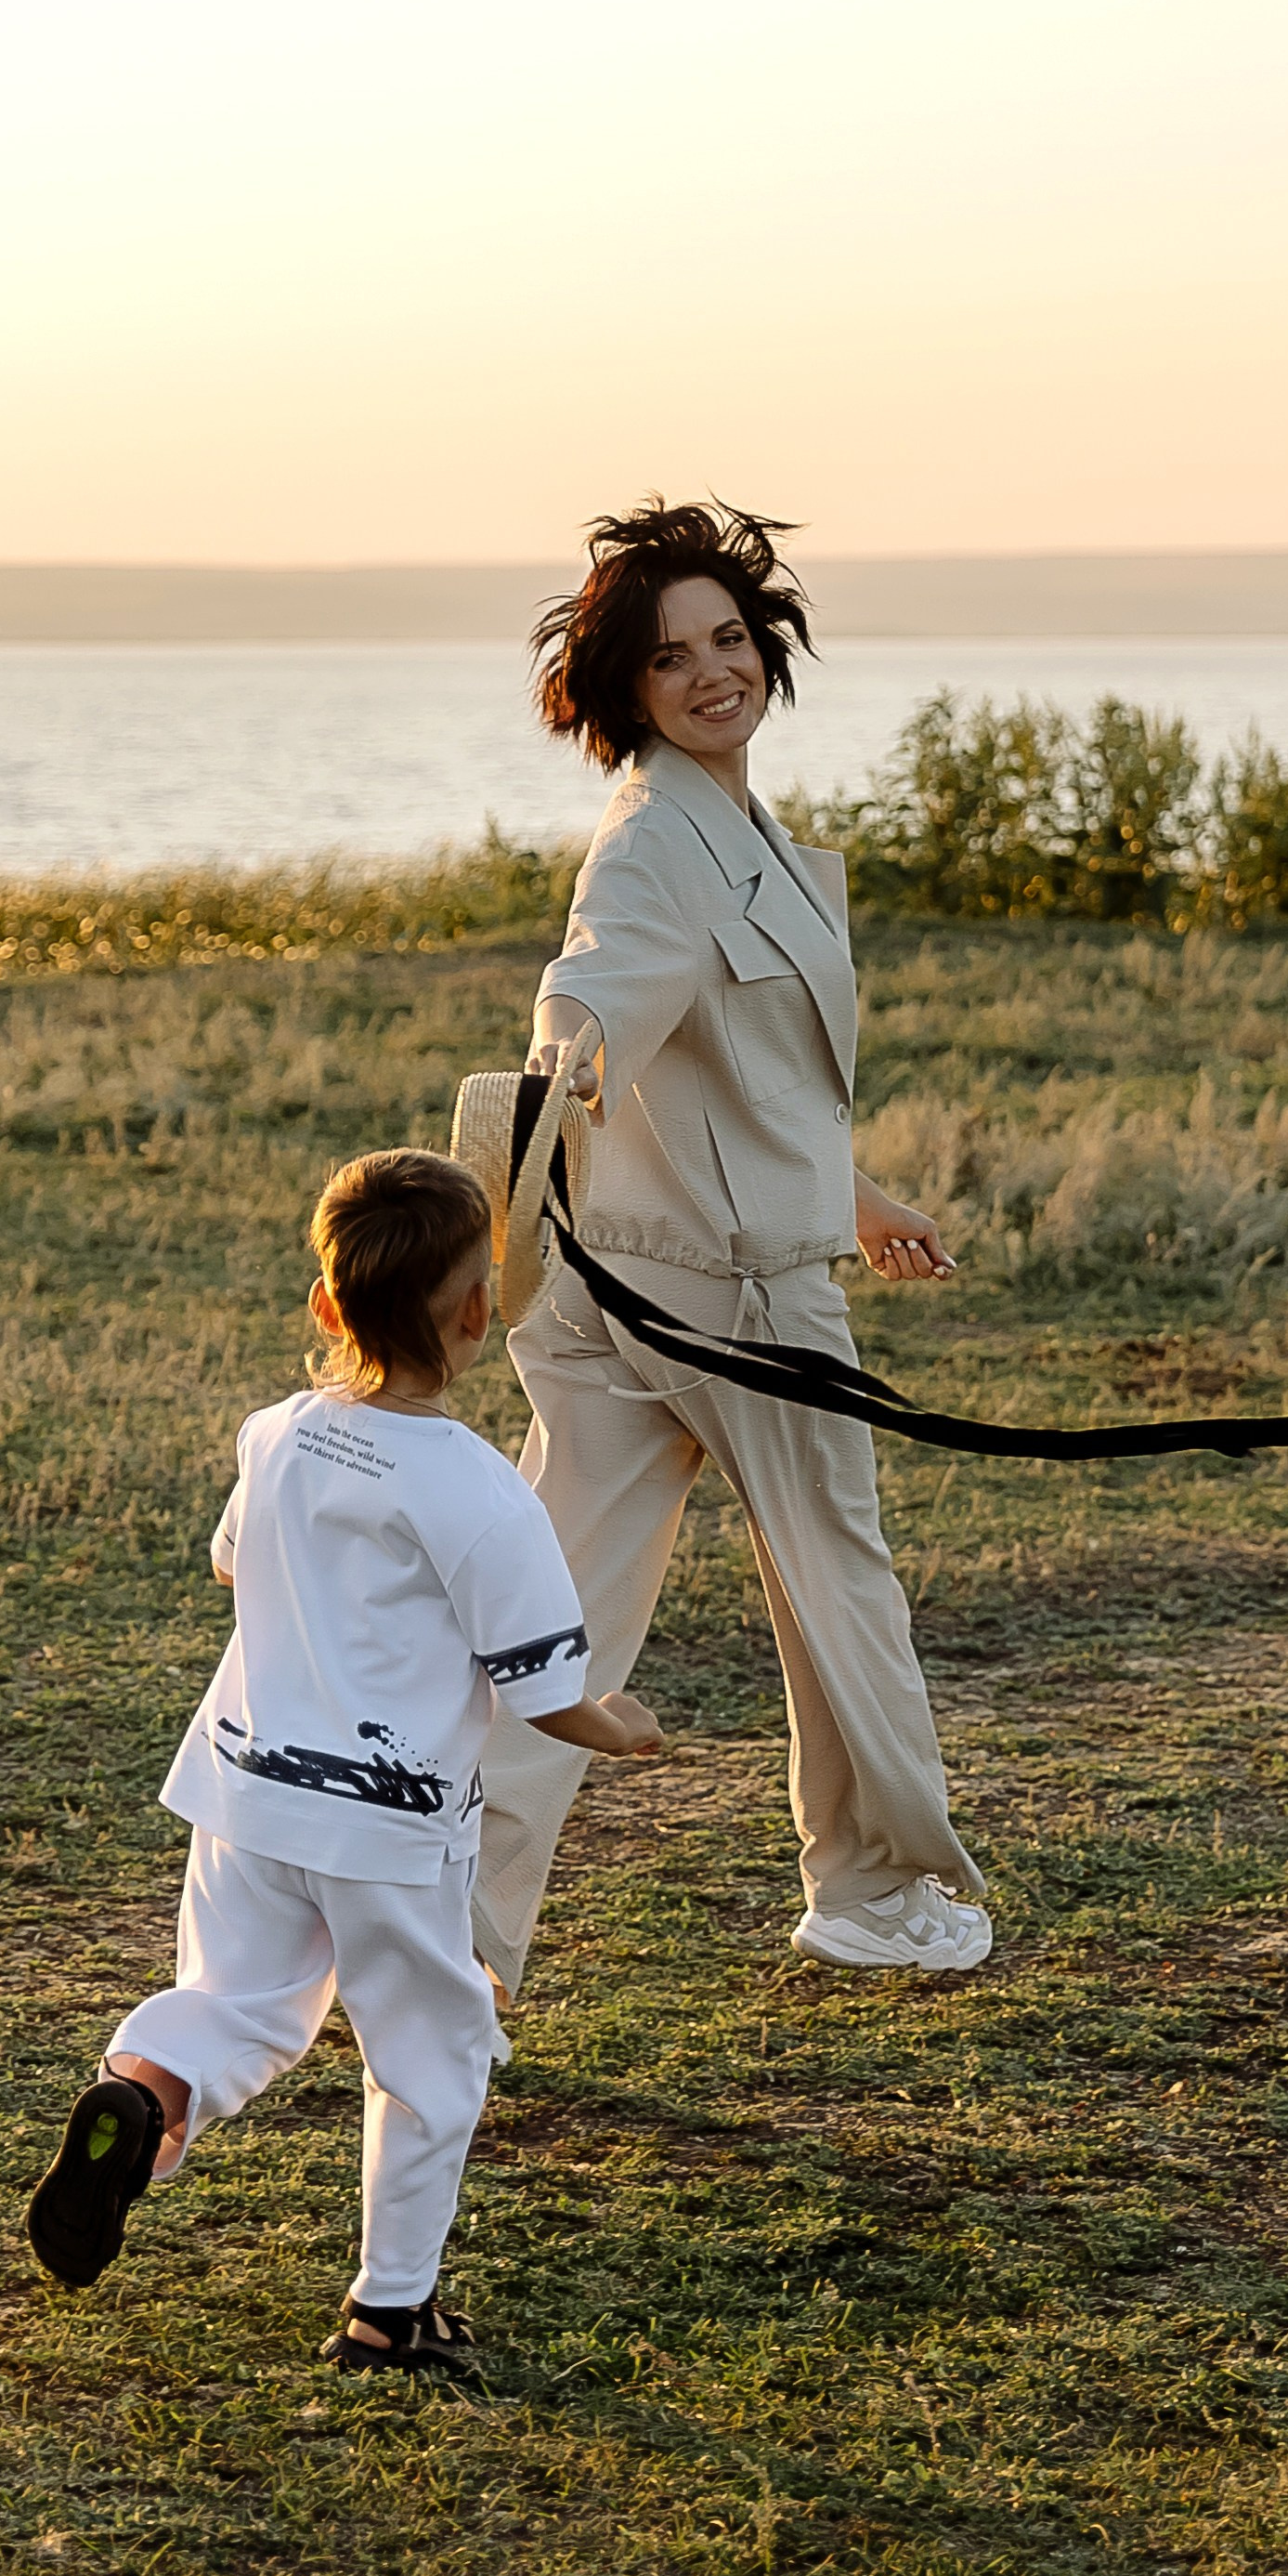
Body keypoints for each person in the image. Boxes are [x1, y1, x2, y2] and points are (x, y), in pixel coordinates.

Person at [24, 1147, 661, 2374]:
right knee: (432, 2054)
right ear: (482, 1310)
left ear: (326, 1307)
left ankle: (148, 2095)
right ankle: (390, 2313)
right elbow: (544, 1687)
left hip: (247, 1789)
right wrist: (619, 1724)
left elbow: (228, 1563)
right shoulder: (480, 1491)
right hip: (390, 1828)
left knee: (235, 2004)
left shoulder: (276, 1435)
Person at [471, 498, 989, 2006]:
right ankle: (878, 1891)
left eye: (729, 640)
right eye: (673, 656)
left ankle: (449, 1947)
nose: (713, 673)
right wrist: (546, 1092)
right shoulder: (653, 847)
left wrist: (856, 1196)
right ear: (625, 690)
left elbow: (738, 1075)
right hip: (722, 1309)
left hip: (625, 1294)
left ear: (765, 648)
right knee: (842, 1593)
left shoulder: (728, 823)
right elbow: (591, 1002)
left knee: (541, 1639)